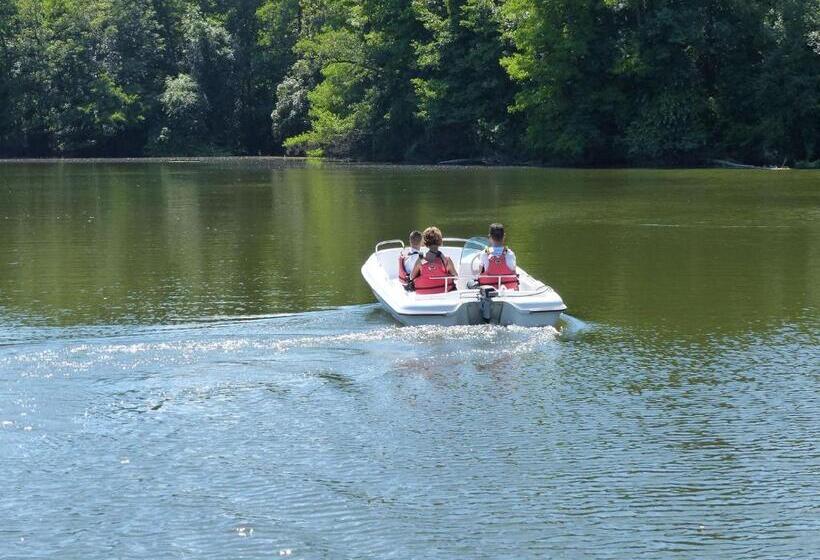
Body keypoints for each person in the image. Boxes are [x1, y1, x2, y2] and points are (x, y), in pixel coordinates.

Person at [410, 226, 458, 293]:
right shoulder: (446, 261)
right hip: (443, 292)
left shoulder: (421, 260)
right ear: (440, 241)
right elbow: (455, 277)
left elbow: (411, 277)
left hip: (424, 293)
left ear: (425, 242)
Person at [479, 223, 518, 290]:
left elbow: (479, 273)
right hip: (508, 288)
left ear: (490, 237)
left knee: (470, 283)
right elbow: (514, 273)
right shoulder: (510, 254)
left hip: (489, 290)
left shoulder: (484, 254)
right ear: (504, 236)